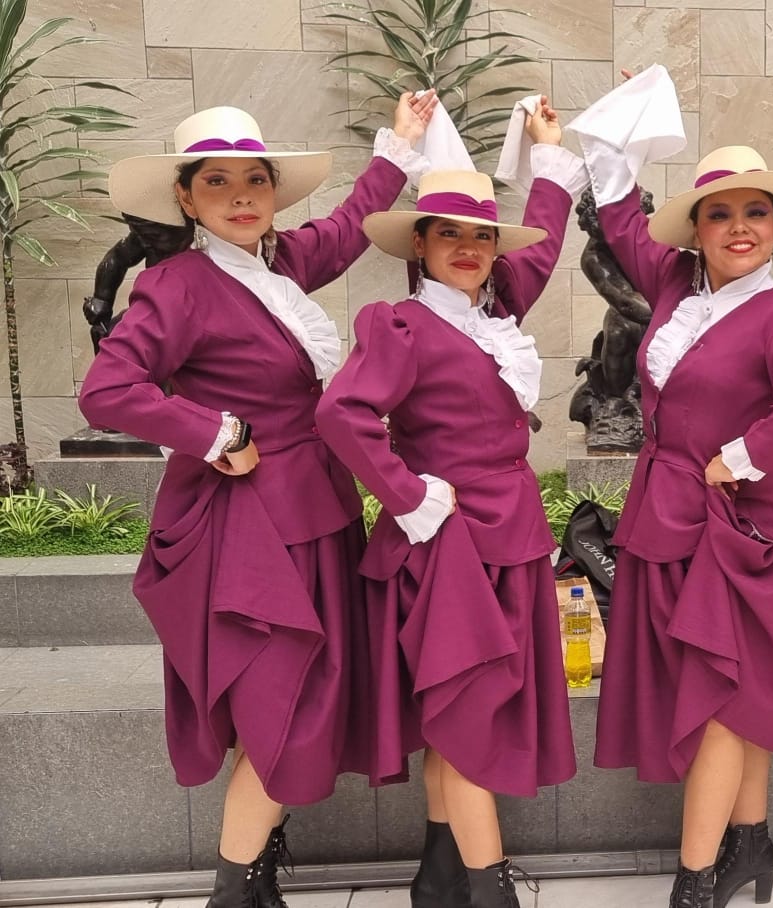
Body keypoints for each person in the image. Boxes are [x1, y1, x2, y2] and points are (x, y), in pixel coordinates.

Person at [78, 93, 437, 908]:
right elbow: (107, 390)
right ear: (185, 196)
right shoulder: (177, 285)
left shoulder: (279, 262)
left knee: (286, 703)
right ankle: (234, 893)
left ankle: (258, 876)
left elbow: (345, 228)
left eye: (255, 181)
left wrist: (400, 145)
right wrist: (215, 430)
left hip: (316, 514)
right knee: (285, 707)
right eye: (217, 182)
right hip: (249, 530)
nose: (241, 197)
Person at [569, 68, 773, 908]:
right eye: (720, 213)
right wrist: (620, 119)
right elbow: (618, 213)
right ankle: (750, 846)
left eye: (756, 211)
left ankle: (694, 883)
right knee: (733, 696)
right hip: (670, 517)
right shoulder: (674, 282)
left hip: (741, 530)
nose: (739, 227)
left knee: (725, 700)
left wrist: (741, 456)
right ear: (697, 228)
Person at [315, 97, 584, 908]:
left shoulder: (495, 316)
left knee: (459, 713)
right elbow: (341, 414)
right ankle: (490, 891)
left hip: (509, 539)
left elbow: (544, 240)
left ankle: (439, 879)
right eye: (449, 234)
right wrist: (408, 495)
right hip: (449, 547)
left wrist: (548, 155)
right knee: (467, 716)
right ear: (419, 245)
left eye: (482, 236)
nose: (468, 248)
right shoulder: (401, 325)